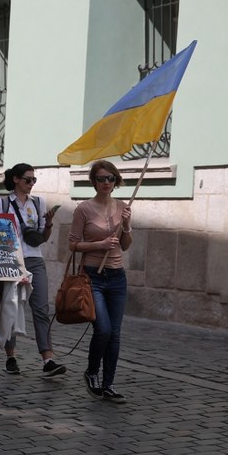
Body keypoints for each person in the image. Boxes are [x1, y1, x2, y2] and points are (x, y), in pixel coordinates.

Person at [0, 163, 67, 378]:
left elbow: (42, 238)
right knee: (12, 307)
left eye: (34, 180)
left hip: (35, 259)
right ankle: (10, 357)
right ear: (16, 179)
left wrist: (49, 224)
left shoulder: (39, 203)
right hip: (12, 261)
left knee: (41, 308)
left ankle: (48, 359)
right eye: (28, 179)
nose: (31, 184)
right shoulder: (2, 203)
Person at [69, 160, 132, 403]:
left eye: (111, 179)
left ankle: (108, 385)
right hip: (92, 276)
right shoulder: (83, 209)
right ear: (93, 181)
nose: (106, 183)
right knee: (103, 329)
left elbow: (125, 246)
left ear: (116, 181)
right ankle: (91, 371)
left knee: (115, 333)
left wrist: (125, 226)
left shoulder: (123, 207)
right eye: (101, 178)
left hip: (117, 276)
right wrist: (100, 244)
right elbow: (73, 244)